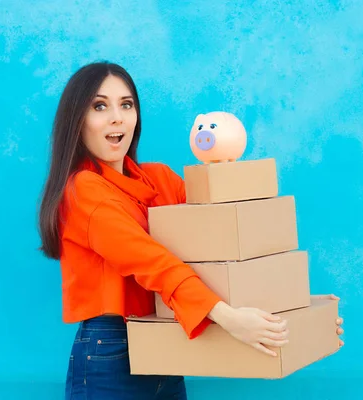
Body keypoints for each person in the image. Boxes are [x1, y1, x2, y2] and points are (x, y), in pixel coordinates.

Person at [38, 61, 344, 400]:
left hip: (167, 338)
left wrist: (299, 309)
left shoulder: (159, 179)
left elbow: (227, 237)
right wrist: (229, 318)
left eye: (126, 104)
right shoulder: (83, 190)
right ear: (76, 120)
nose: (117, 117)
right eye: (99, 106)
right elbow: (152, 262)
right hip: (110, 350)